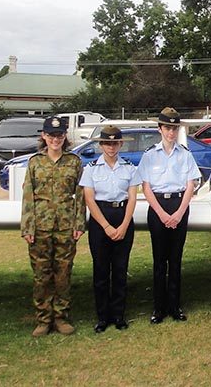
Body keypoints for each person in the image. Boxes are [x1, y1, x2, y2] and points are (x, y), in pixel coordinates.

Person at [21, 116, 86, 337]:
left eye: (59, 135)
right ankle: (43, 319)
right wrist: (27, 227)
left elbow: (80, 196)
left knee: (63, 273)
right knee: (41, 274)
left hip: (66, 227)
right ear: (43, 136)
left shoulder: (74, 162)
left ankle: (60, 317)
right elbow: (28, 197)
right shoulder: (34, 162)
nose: (55, 139)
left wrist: (79, 223)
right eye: (51, 135)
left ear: (64, 136)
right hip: (40, 226)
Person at [138, 108, 201, 324]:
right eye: (167, 128)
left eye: (174, 128)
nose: (171, 132)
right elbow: (146, 188)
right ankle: (158, 308)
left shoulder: (185, 154)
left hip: (179, 204)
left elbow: (190, 185)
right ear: (160, 129)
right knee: (159, 261)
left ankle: (175, 306)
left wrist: (179, 213)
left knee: (175, 260)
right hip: (157, 207)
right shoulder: (149, 155)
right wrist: (163, 214)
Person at [80, 126, 141, 333]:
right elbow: (89, 199)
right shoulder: (91, 169)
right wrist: (106, 226)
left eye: (115, 143)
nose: (111, 147)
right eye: (107, 143)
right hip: (100, 219)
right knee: (101, 271)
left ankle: (118, 315)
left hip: (123, 216)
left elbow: (132, 197)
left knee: (120, 270)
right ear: (101, 145)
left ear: (121, 144)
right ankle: (102, 317)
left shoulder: (130, 168)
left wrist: (123, 225)